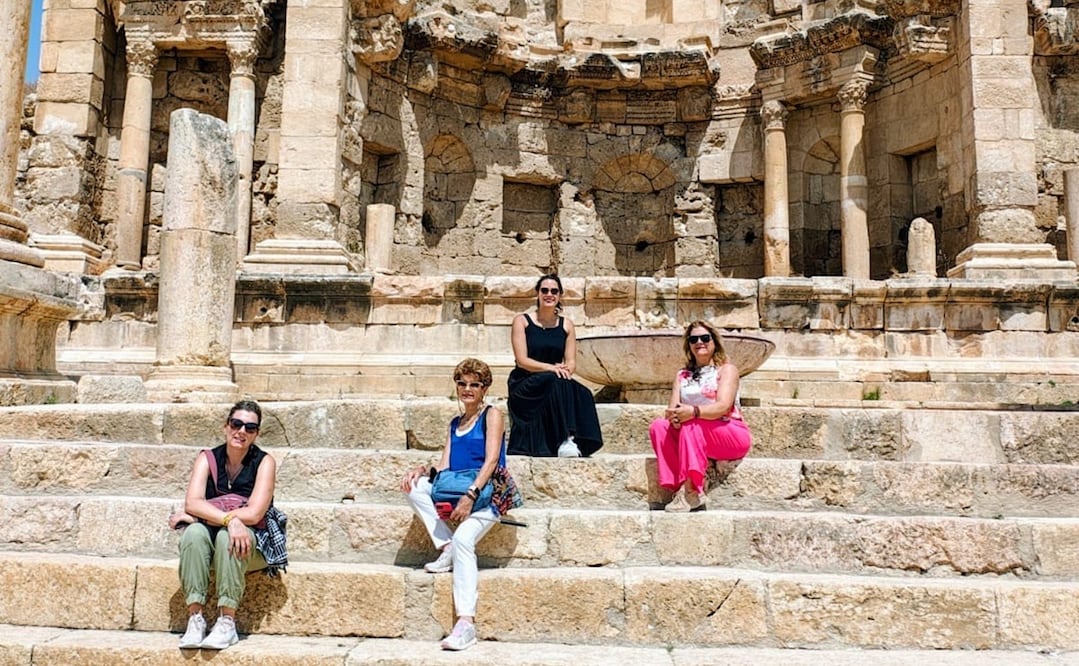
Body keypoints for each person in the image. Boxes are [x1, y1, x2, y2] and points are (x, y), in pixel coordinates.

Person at [400, 358, 521, 652]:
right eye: (462, 383)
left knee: (466, 538)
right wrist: (423, 470)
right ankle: (446, 546)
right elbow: (444, 466)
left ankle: (466, 623)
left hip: (488, 494)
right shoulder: (455, 423)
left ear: (484, 388)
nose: (467, 389)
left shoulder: (492, 415)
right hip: (460, 489)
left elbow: (492, 460)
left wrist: (469, 495)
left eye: (474, 385)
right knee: (413, 486)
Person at [167, 400, 279, 650]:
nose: (241, 432)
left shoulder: (264, 462)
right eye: (236, 424)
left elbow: (255, 512)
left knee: (227, 538)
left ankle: (227, 622)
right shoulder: (207, 459)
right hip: (214, 536)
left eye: (250, 428)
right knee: (194, 533)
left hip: (254, 546)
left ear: (256, 433)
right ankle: (195, 619)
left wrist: (230, 522)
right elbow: (192, 502)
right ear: (226, 427)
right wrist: (230, 519)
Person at [649, 321, 753, 512]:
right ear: (688, 345)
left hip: (729, 431)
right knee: (659, 426)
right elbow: (671, 409)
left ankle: (693, 490)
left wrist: (693, 412)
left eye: (705, 338)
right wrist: (674, 417)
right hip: (695, 431)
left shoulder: (727, 370)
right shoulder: (682, 375)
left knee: (692, 423)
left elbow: (723, 406)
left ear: (714, 342)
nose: (700, 342)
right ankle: (677, 486)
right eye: (693, 339)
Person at [506, 273, 603, 457]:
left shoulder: (567, 325)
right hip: (525, 382)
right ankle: (565, 437)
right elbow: (522, 360)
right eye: (544, 290)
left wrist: (565, 369)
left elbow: (571, 362)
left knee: (583, 392)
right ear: (537, 293)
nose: (549, 294)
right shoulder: (522, 321)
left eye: (554, 291)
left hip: (554, 379)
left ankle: (579, 442)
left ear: (559, 295)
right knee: (555, 380)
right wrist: (552, 368)